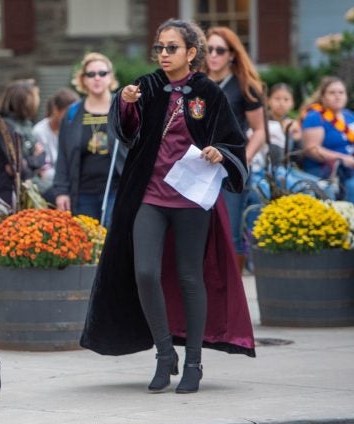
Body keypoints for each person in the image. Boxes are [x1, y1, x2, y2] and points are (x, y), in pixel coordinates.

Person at [80, 19, 256, 396]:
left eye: (171, 47)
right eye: (159, 47)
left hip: (192, 197)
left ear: (191, 53)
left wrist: (218, 152)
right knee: (144, 272)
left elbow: (232, 142)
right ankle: (164, 354)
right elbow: (127, 133)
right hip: (150, 194)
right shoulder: (145, 86)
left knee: (191, 277)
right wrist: (125, 105)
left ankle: (193, 362)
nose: (163, 54)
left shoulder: (209, 92)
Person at [203, 26, 266, 272]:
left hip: (230, 167)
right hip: (198, 166)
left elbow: (259, 130)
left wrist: (245, 158)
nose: (214, 55)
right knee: (199, 232)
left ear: (231, 54)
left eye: (220, 50)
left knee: (230, 233)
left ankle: (232, 293)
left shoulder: (244, 85)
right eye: (209, 49)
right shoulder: (196, 82)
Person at [52, 52, 127, 226]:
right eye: (91, 74)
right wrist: (61, 191)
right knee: (88, 245)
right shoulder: (72, 113)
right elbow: (63, 156)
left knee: (110, 242)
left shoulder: (123, 108)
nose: (97, 78)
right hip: (83, 192)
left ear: (111, 77)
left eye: (102, 73)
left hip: (116, 189)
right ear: (83, 79)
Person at [299, 76, 354, 202]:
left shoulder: (349, 116)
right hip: (325, 170)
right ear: (323, 97)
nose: (337, 96)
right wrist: (342, 158)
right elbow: (312, 149)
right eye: (332, 93)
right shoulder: (315, 117)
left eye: (341, 92)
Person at [0, 79, 45, 207]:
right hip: (11, 195)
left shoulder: (26, 124)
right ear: (23, 101)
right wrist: (35, 160)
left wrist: (31, 161)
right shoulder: (5, 127)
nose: (37, 102)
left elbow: (42, 155)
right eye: (35, 97)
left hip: (30, 188)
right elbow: (19, 168)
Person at [32, 87, 79, 200]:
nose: (73, 117)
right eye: (68, 112)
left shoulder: (74, 128)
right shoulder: (39, 131)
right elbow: (44, 172)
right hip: (50, 188)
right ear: (56, 110)